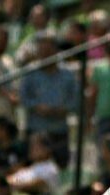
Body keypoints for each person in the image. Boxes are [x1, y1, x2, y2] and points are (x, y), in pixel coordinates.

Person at [20, 33, 78, 168]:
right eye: (42, 50)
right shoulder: (30, 73)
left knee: (61, 167)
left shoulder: (67, 74)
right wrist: (37, 107)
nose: (45, 54)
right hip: (36, 130)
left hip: (59, 131)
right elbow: (23, 98)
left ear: (56, 51)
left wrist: (63, 109)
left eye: (48, 50)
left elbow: (75, 99)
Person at [87, 44, 110, 143]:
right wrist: (90, 116)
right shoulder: (99, 68)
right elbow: (94, 92)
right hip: (104, 114)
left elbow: (93, 93)